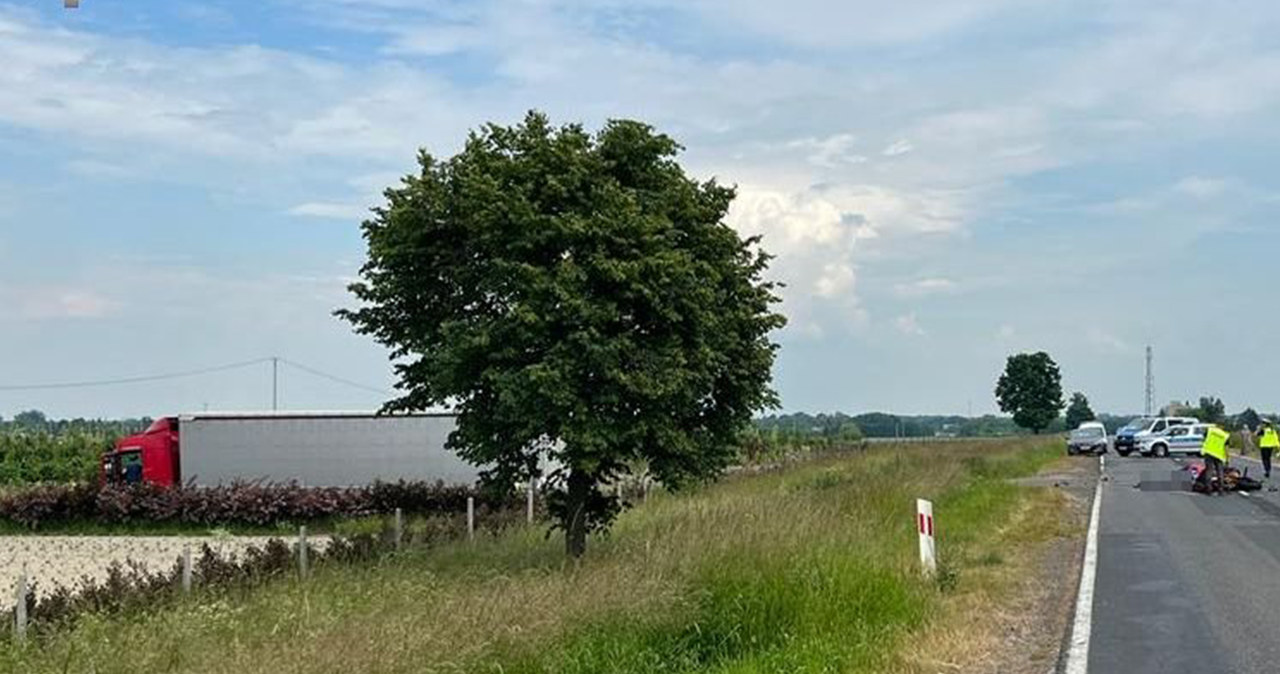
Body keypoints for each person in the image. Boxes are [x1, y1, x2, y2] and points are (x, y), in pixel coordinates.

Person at [1201, 424, 1230, 495]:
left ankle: (1208, 489)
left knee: (1209, 471)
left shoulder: (1210, 430)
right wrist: (1227, 459)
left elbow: (1204, 439)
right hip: (1219, 455)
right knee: (1220, 472)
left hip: (1208, 453)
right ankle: (1221, 489)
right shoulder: (1225, 435)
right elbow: (1226, 449)